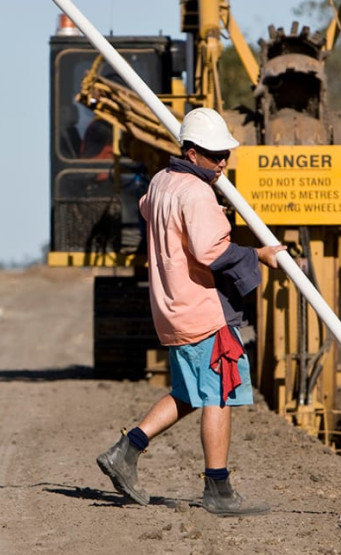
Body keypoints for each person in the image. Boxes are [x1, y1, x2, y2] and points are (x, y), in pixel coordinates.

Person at [95, 107, 285, 516]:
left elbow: (148, 207)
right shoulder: (197, 193)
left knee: (187, 394)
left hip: (172, 309)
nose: (223, 163)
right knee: (220, 393)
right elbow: (211, 251)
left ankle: (125, 452)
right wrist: (259, 255)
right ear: (192, 153)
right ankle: (218, 489)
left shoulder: (161, 182)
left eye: (225, 155)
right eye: (215, 156)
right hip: (203, 311)